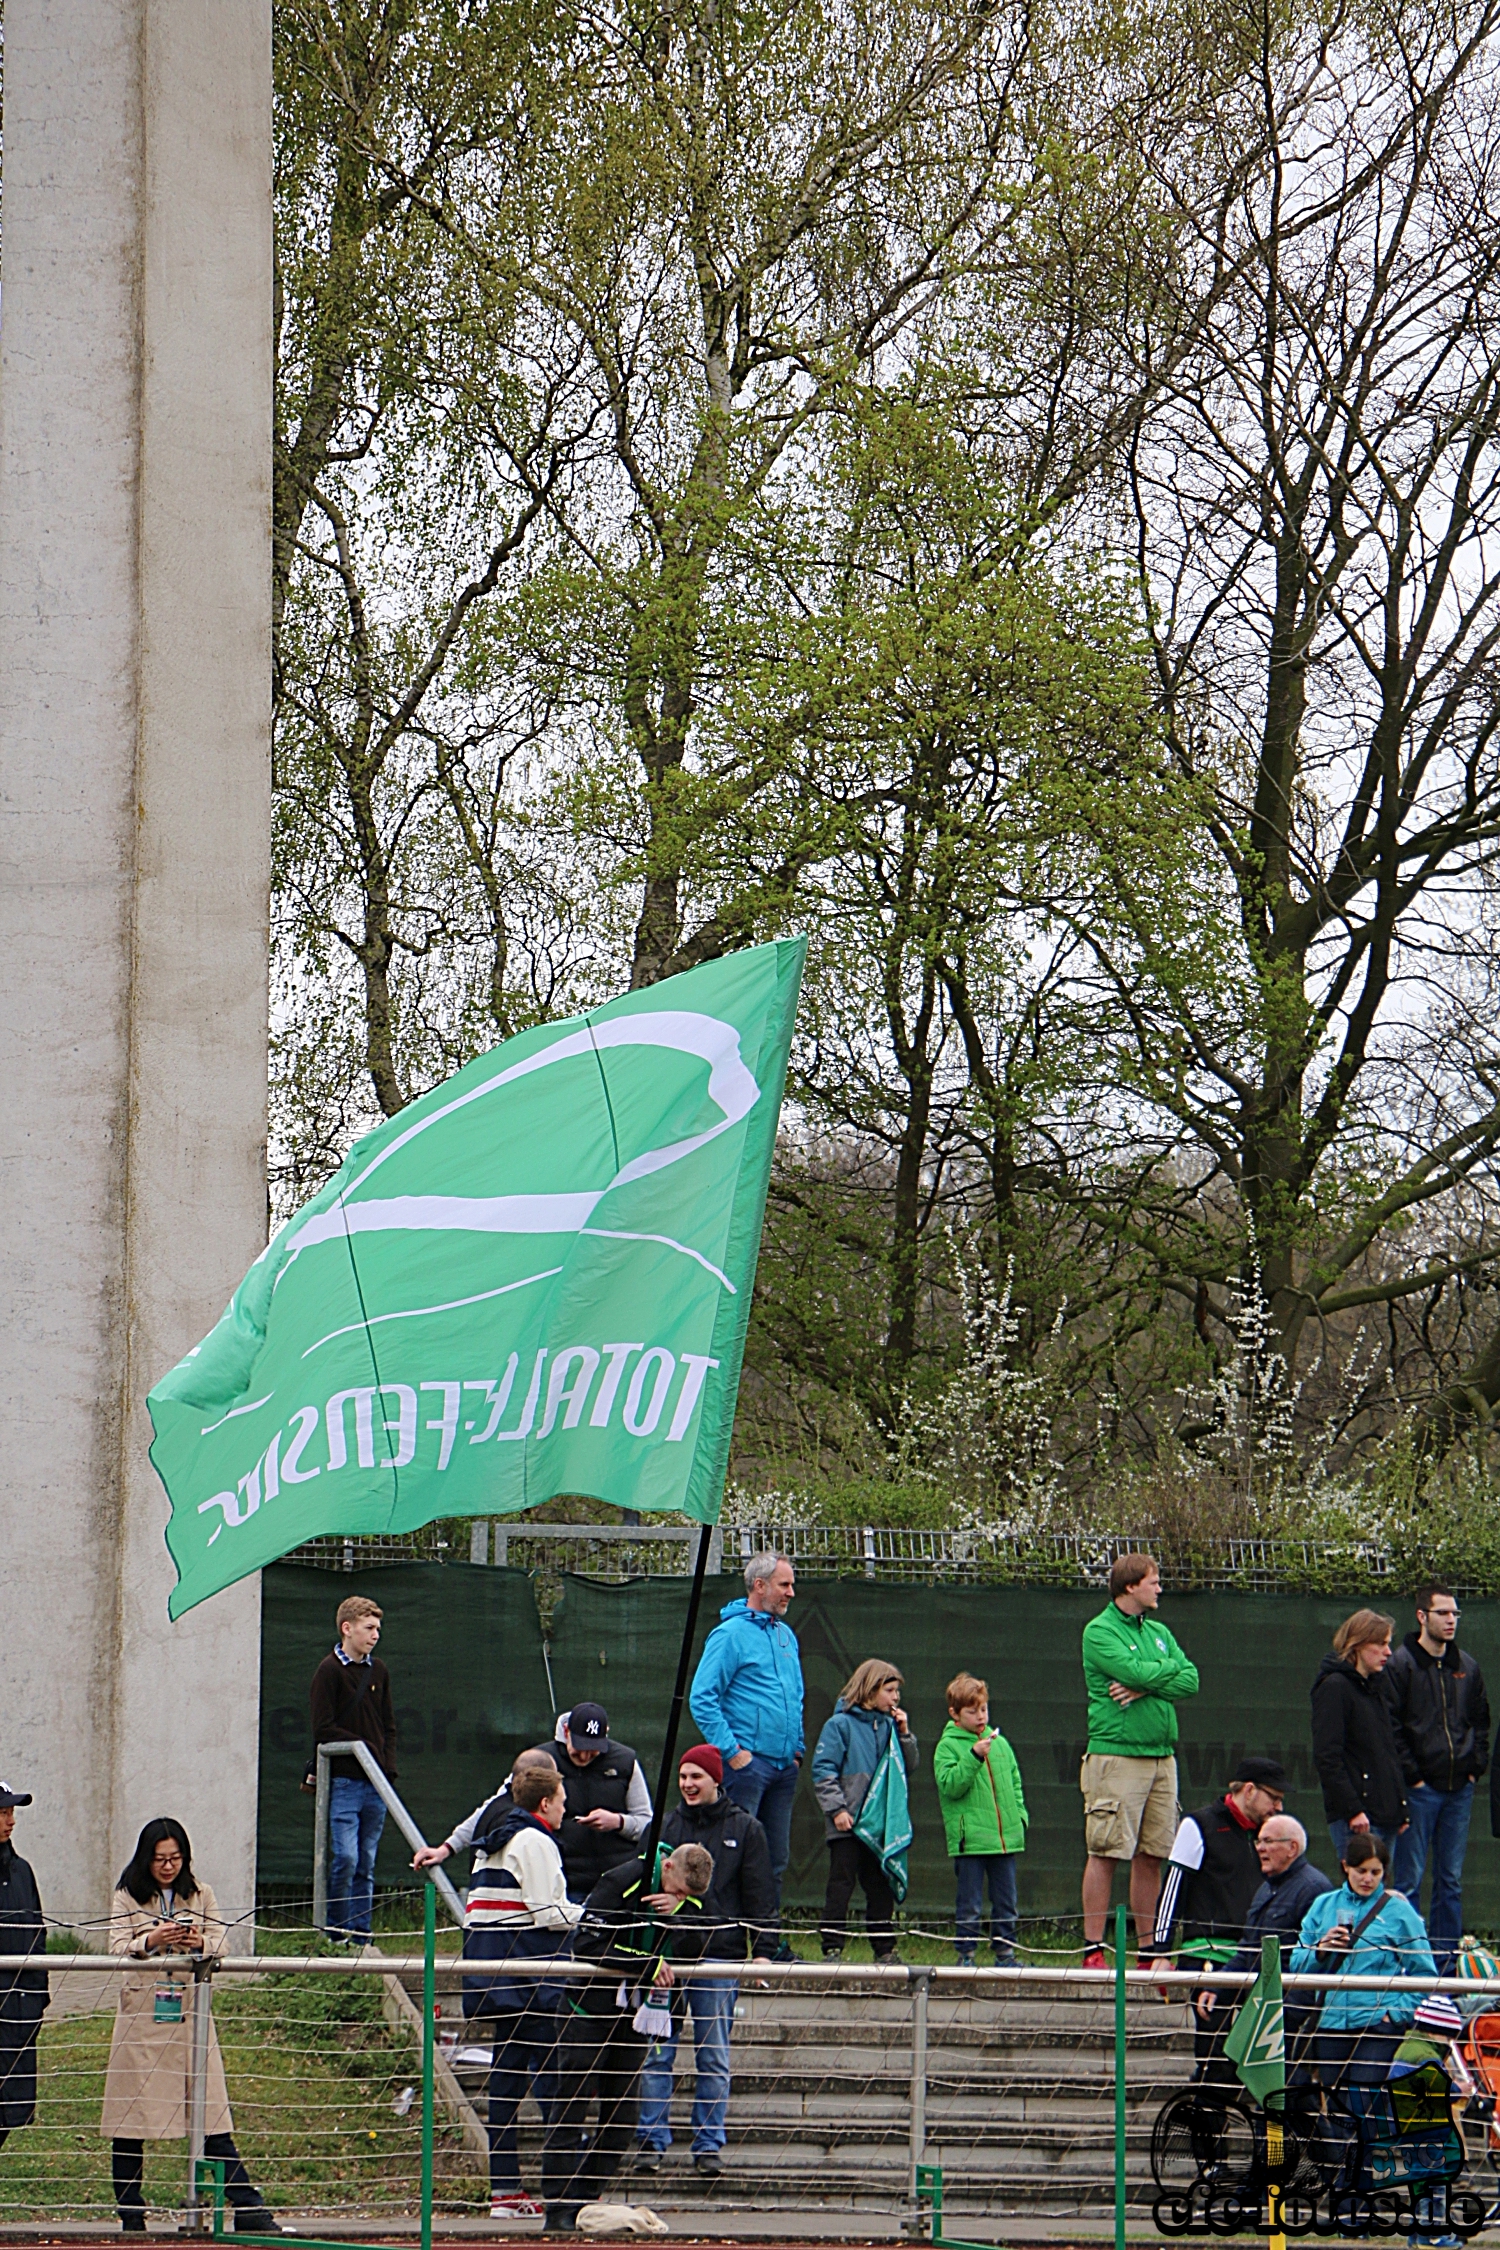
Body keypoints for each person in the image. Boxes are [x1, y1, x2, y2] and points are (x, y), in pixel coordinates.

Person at [102, 1819, 279, 2234]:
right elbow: (115, 1946)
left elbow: (223, 1942)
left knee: (211, 2115)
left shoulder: (201, 1893)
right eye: (160, 1859)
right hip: (143, 2019)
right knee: (130, 2122)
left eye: (175, 1859)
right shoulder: (126, 1895)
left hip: (191, 2021)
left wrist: (197, 1941)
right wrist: (152, 1939)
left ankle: (249, 2207)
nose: (167, 1867)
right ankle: (131, 2215)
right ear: (146, 1859)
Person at [542, 1844, 715, 2231]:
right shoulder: (623, 1880)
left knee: (622, 2119)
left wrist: (676, 1917)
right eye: (679, 1890)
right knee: (569, 2110)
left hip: (636, 2020)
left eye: (688, 1896)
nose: (680, 1897)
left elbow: (702, 1945)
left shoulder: (685, 1901)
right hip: (587, 2014)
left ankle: (585, 2203)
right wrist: (646, 1964)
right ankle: (557, 2211)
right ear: (666, 1866)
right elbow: (587, 1942)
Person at [446, 1761, 582, 2219]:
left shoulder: (492, 1844)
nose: (567, 1807)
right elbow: (549, 1913)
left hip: (496, 1978)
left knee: (506, 2085)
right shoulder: (536, 1841)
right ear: (545, 1803)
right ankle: (564, 2190)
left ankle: (504, 2189)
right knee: (551, 2084)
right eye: (562, 1800)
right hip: (531, 1981)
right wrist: (595, 1916)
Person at [635, 1746, 774, 2179]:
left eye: (697, 1776)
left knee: (713, 2055)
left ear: (717, 1780)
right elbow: (639, 1887)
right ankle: (650, 2142)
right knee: (658, 2054)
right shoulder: (666, 1825)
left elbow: (760, 1894)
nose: (689, 1784)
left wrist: (764, 1948)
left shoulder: (747, 1829)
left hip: (718, 1958)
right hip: (667, 1958)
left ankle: (708, 2144)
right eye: (683, 1776)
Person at [1079, 1553, 1200, 1970]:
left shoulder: (1160, 1631)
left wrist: (1145, 1687)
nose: (1159, 1588)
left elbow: (1191, 1679)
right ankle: (1093, 1948)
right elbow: (1129, 1668)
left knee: (1152, 1854)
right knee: (1107, 1850)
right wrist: (1155, 1675)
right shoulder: (1098, 1632)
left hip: (1162, 1757)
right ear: (1130, 1586)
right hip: (1117, 1755)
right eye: (1154, 1581)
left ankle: (1148, 1951)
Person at [1148, 1758, 1287, 2077]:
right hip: (1209, 1955)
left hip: (1258, 1956)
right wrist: (1161, 1952)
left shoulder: (1270, 1833)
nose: (1278, 1807)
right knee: (1213, 2051)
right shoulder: (1199, 1824)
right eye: (1274, 1798)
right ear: (1250, 1791)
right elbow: (1173, 1889)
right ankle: (1208, 2113)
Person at [690, 1553, 805, 1915]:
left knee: (775, 1861)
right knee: (733, 1856)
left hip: (784, 1769)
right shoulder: (729, 1635)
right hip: (747, 1769)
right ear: (759, 1586)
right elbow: (702, 1698)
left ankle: (767, 1947)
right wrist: (733, 1752)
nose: (791, 1593)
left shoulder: (786, 1636)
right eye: (784, 1585)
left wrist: (797, 1750)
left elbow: (796, 1695)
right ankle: (723, 1942)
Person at [1387, 1584, 1490, 1974]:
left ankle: (1445, 1969)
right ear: (1421, 1617)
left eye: (1455, 1615)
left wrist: (1472, 1768)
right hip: (1419, 1791)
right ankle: (1412, 1965)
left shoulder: (1468, 1665)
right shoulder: (1399, 1666)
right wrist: (1412, 1776)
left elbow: (1481, 1721)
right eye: (1443, 1613)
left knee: (1450, 1880)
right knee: (1409, 1881)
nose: (1450, 1621)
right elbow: (1392, 1727)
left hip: (1458, 1790)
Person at [1289, 1831, 1436, 2088]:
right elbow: (1296, 1964)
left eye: (1375, 1872)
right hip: (1330, 2023)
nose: (1368, 1879)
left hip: (1376, 2026)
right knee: (1337, 2110)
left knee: (1361, 2103)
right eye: (1361, 1870)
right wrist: (1321, 1949)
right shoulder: (1323, 1905)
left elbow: (1425, 1973)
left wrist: (1395, 2014)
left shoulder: (1399, 1912)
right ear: (1346, 1867)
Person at [812, 1659, 918, 1963]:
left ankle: (884, 1950)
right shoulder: (839, 1725)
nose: (896, 1697)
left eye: (897, 1691)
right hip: (846, 1824)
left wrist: (905, 1734)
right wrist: (837, 1810)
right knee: (841, 1885)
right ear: (870, 1689)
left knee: (880, 1888)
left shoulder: (890, 1726)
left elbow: (908, 1766)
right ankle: (832, 1948)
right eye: (890, 1690)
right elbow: (823, 1770)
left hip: (878, 1827)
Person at [309, 1595, 397, 1942]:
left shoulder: (380, 1671)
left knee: (367, 1860)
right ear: (347, 1629)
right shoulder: (328, 1671)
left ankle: (362, 1933)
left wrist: (385, 1766)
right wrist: (362, 1749)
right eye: (369, 1628)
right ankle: (336, 1930)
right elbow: (323, 1728)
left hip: (376, 1783)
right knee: (345, 1856)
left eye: (378, 1629)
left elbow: (388, 1724)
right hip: (345, 1780)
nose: (375, 1635)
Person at [1214, 1813, 1333, 2059]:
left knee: (1292, 2092)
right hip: (1262, 2010)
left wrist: (1289, 2014)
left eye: (1268, 1841)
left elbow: (1315, 1962)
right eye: (1258, 1842)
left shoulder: (1314, 1889)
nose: (1260, 1848)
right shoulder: (1267, 1887)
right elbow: (1249, 1948)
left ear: (1292, 1848)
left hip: (1286, 2017)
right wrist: (1217, 1986)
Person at [933, 1673, 1028, 1967]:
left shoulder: (1001, 1744)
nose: (980, 1717)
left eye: (983, 1709)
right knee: (970, 1904)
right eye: (972, 1711)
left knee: (1006, 1902)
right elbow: (950, 1785)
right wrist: (973, 1756)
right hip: (971, 1841)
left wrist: (1020, 1817)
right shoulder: (947, 1747)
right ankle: (966, 1956)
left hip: (1004, 1841)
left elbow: (1015, 1783)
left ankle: (1006, 1955)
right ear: (955, 1714)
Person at [520, 1707, 652, 1903]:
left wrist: (618, 1822)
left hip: (617, 1884)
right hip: (562, 1882)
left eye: (592, 1749)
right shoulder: (541, 1760)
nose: (584, 1757)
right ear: (566, 1732)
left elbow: (647, 1824)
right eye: (579, 1748)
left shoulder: (625, 1761)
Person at [1311, 1609, 1409, 1863]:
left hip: (1385, 1815)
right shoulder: (1334, 1687)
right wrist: (1353, 1810)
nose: (1388, 1652)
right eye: (1381, 1644)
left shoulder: (1376, 1688)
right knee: (1360, 1894)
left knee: (1379, 1897)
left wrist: (1400, 1808)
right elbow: (1328, 1757)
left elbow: (1387, 1752)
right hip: (1357, 1821)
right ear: (1358, 1644)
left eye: (1389, 1644)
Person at [0, 1783, 46, 2162]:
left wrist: (37, 2002)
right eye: (1, 1813)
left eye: (11, 1813)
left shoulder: (22, 1871)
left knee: (10, 2112)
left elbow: (38, 1936)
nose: (10, 1821)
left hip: (19, 2017)